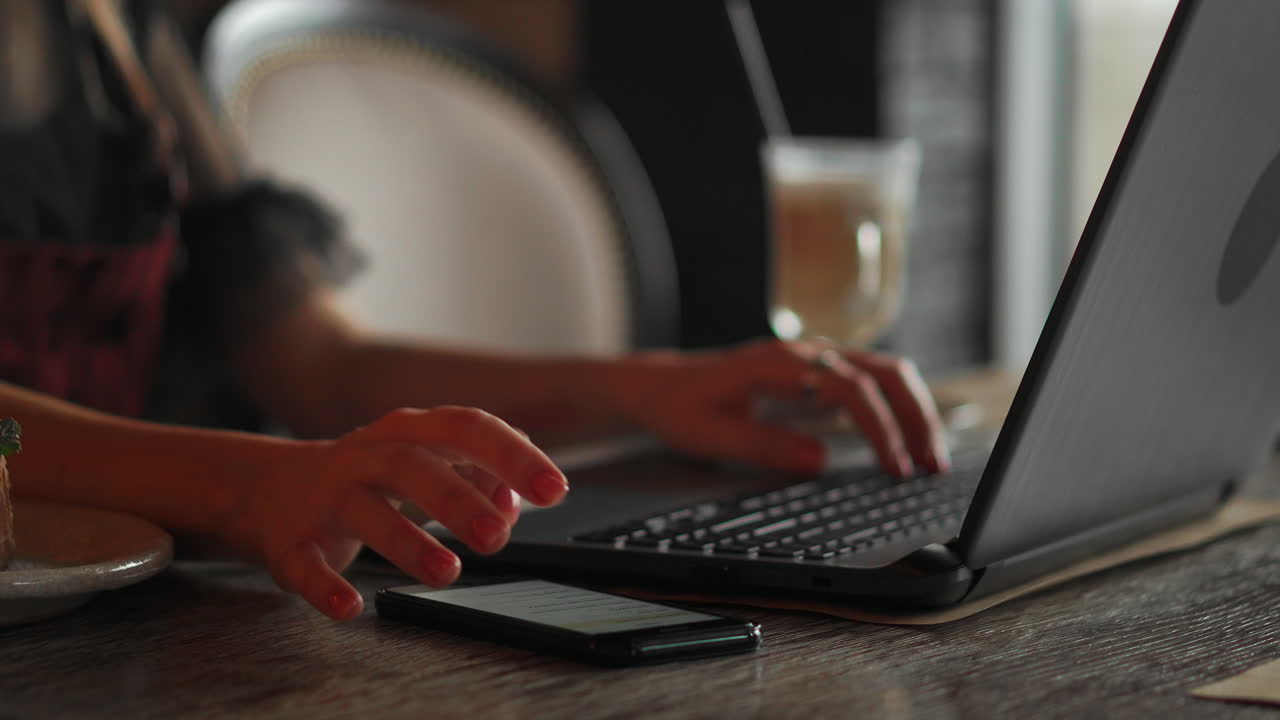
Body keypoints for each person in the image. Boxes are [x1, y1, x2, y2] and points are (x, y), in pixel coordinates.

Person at [0, 0, 950, 620]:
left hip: (146, 614)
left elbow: (319, 364)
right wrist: (249, 486)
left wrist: (655, 389)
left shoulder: (123, 31)